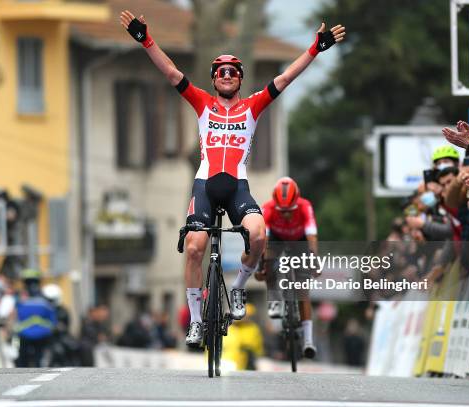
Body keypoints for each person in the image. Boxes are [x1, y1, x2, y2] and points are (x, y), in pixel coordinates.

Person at [119, 9, 346, 347]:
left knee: (257, 235)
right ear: (213, 79)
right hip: (206, 184)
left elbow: (284, 79)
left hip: (237, 185)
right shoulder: (202, 103)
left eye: (232, 72)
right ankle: (196, 321)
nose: (226, 76)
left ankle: (238, 288)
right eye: (220, 72)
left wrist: (314, 48)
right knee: (195, 247)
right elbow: (170, 72)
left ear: (240, 79)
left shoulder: (252, 107)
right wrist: (145, 40)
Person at [254, 177, 319, 358]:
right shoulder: (267, 208)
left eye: (289, 211)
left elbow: (312, 238)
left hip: (300, 240)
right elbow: (263, 239)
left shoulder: (305, 206)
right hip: (276, 238)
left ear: (296, 202)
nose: (286, 215)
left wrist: (313, 260)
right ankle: (274, 299)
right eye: (281, 211)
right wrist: (263, 266)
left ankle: (308, 340)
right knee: (268, 260)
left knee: (303, 291)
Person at [13, 268, 57, 368]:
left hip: (26, 334)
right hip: (40, 334)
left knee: (24, 361)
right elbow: (52, 318)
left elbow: (14, 316)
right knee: (37, 360)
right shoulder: (45, 300)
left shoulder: (19, 299)